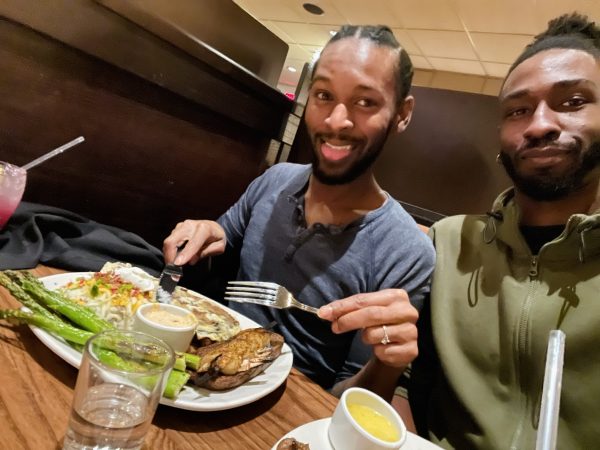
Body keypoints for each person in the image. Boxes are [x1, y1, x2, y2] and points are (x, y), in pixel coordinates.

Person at [320, 12, 600, 448]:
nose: (540, 124)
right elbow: (404, 385)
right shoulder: (450, 243)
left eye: (573, 101)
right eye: (519, 109)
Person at [163, 25, 435, 396]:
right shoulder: (275, 180)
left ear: (402, 114)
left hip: (292, 407)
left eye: (365, 102)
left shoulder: (407, 252)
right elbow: (224, 236)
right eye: (324, 95)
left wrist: (389, 364)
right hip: (200, 372)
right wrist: (209, 231)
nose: (336, 121)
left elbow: (344, 398)